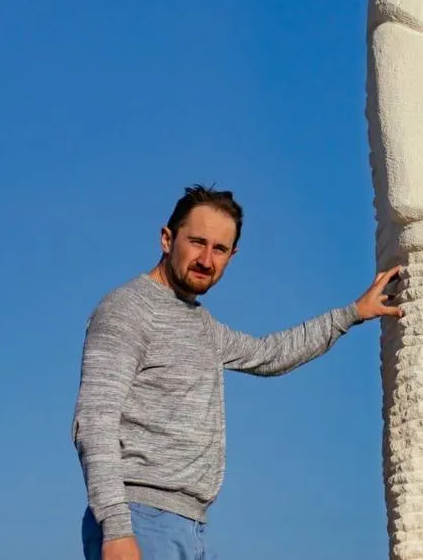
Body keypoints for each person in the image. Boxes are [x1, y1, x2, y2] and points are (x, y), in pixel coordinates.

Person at [72, 185, 401, 560]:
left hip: (188, 525)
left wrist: (353, 313)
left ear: (232, 255)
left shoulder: (203, 326)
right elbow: (94, 420)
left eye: (219, 249)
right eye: (197, 242)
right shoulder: (127, 309)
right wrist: (117, 528)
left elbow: (269, 354)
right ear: (167, 238)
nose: (206, 260)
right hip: (140, 520)